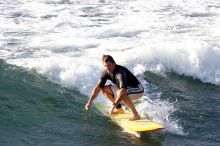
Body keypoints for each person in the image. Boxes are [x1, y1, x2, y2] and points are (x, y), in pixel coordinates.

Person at [85, 55, 144, 121]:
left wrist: (113, 106)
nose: (107, 68)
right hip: (125, 89)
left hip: (138, 89)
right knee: (104, 89)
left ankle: (136, 114)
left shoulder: (120, 73)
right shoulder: (106, 72)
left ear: (114, 63)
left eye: (109, 65)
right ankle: (119, 109)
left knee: (122, 94)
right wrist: (89, 102)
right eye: (105, 66)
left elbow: (123, 92)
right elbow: (98, 88)